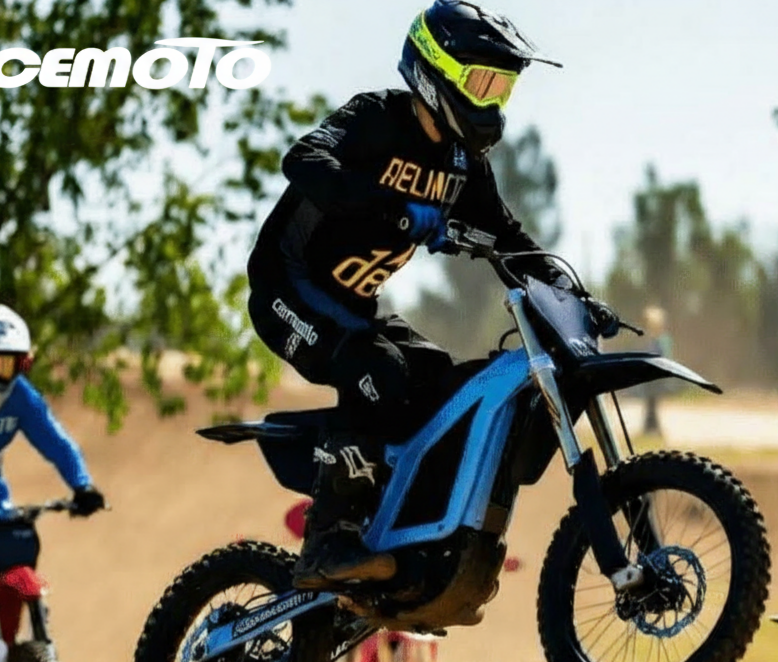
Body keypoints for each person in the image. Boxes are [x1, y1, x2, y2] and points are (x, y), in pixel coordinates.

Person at [246, 1, 617, 590]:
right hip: (287, 287)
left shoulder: (464, 164)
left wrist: (569, 292)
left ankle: (397, 528)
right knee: (376, 371)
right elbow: (304, 159)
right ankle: (327, 540)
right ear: (435, 70)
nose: (493, 101)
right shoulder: (374, 118)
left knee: (440, 382)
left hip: (354, 309)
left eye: (503, 89)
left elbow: (509, 239)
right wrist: (390, 209)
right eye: (483, 82)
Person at [0, 304, 105, 516]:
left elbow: (57, 444)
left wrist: (82, 485)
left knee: (16, 543)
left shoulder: (22, 398)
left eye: (6, 367)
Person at [640, 306, 672, 437]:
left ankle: (654, 429)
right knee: (650, 404)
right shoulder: (655, 340)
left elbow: (662, 358)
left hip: (656, 378)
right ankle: (650, 428)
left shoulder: (661, 340)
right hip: (651, 378)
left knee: (652, 404)